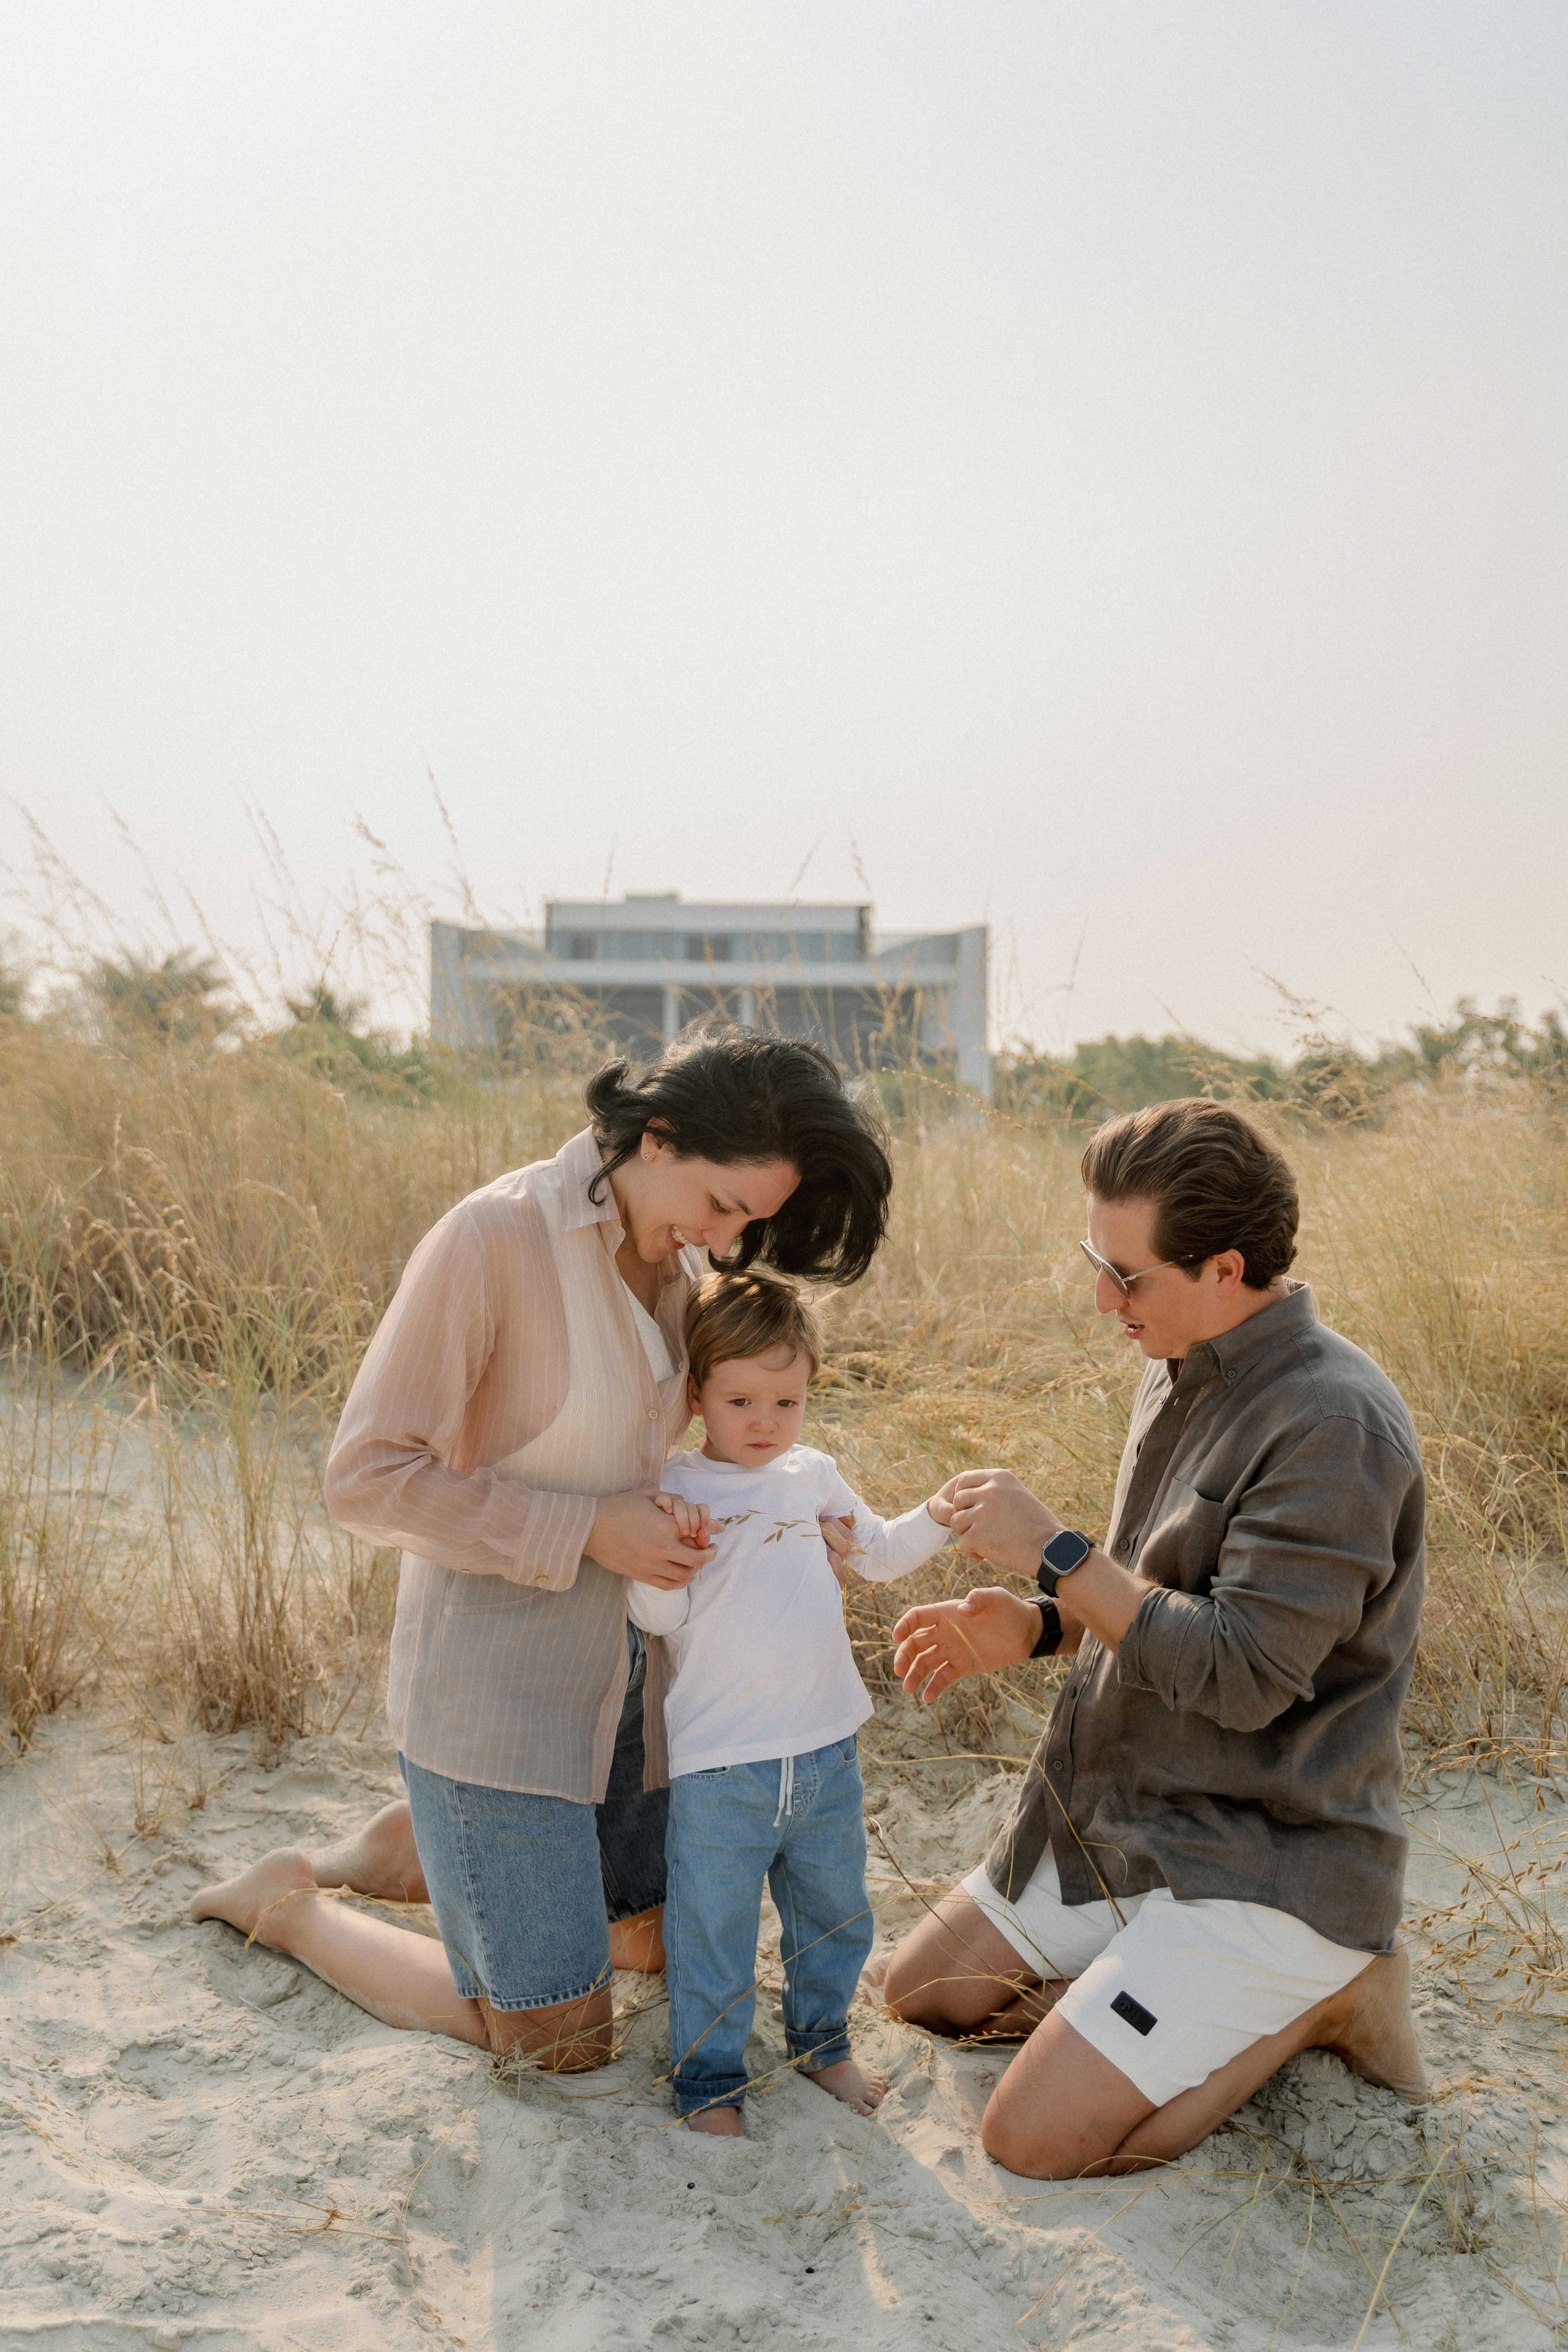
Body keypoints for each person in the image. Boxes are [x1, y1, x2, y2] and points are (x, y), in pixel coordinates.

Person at [190, 1028, 892, 2073]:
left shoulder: (676, 1254)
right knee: (559, 2045)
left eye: (750, 1219)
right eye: (723, 1205)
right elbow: (365, 1477)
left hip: (633, 1697)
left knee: (654, 1945)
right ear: (656, 1139)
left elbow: (696, 1446)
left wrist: (785, 1526)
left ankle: (400, 1851)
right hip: (501, 1700)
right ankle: (291, 1903)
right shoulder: (494, 1238)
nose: (728, 1239)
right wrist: (589, 1528)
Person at [883, 1098, 1428, 2179]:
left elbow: (1241, 1675)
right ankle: (1148, 1991)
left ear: (1226, 1269)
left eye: (1126, 1275)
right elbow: (1163, 1589)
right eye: (1099, 1260)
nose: (1102, 1299)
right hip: (1128, 1820)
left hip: (1266, 1856)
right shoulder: (1179, 1353)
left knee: (1030, 2142)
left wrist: (1055, 1554)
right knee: (926, 1996)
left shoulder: (1333, 1425)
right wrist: (1038, 1627)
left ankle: (1329, 1997)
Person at [627, 1268, 951, 2134]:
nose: (766, 1422)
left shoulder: (813, 1475)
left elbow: (877, 1553)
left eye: (787, 1400)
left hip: (824, 1748)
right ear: (697, 1394)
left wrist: (943, 1512)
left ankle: (823, 2044)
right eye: (741, 1401)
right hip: (721, 1763)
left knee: (834, 1911)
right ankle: (709, 2084)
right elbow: (653, 1615)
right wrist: (673, 1554)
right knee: (713, 1930)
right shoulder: (675, 1485)